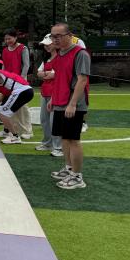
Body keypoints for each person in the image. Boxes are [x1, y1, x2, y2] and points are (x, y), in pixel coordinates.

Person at [48, 23, 90, 190]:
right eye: (53, 36)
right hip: (60, 102)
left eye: (59, 36)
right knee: (64, 138)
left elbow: (82, 80)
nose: (55, 39)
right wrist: (53, 98)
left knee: (73, 139)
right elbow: (59, 78)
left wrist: (73, 104)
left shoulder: (80, 53)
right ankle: (69, 168)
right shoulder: (59, 54)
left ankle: (77, 176)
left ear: (69, 35)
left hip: (73, 104)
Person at [0, 60, 34, 144]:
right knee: (2, 111)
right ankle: (9, 133)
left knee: (2, 112)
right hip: (23, 91)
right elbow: (6, 92)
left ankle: (15, 136)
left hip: (22, 91)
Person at [2, 29, 33, 139]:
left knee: (22, 107)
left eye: (9, 38)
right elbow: (4, 65)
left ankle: (27, 131)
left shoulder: (23, 48)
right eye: (6, 39)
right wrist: (2, 78)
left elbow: (26, 65)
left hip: (20, 82)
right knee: (8, 105)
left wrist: (21, 79)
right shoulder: (5, 50)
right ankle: (9, 130)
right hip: (8, 82)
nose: (7, 41)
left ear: (15, 37)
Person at [36, 34, 63, 157]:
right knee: (44, 119)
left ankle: (58, 147)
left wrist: (45, 74)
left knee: (54, 121)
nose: (46, 46)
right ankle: (47, 143)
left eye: (48, 44)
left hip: (56, 92)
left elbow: (54, 75)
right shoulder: (46, 58)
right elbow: (39, 73)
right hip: (45, 91)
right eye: (45, 45)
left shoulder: (61, 57)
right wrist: (48, 74)